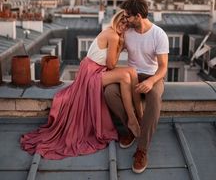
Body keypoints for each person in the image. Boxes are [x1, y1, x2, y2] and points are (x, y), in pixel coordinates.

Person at [20, 10, 141, 159]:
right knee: (127, 75)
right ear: (116, 20)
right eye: (122, 22)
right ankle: (133, 119)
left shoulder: (109, 31)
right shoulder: (114, 36)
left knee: (129, 74)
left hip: (89, 71)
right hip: (92, 75)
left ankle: (134, 118)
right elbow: (111, 64)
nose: (123, 27)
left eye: (127, 25)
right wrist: (120, 47)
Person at [104, 0, 169, 174]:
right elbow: (113, 60)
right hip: (131, 77)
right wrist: (117, 46)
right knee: (110, 92)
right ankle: (132, 128)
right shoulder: (127, 33)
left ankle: (142, 149)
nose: (125, 19)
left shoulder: (159, 35)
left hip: (152, 77)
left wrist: (150, 81)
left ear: (138, 16)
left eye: (128, 16)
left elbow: (163, 68)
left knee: (155, 96)